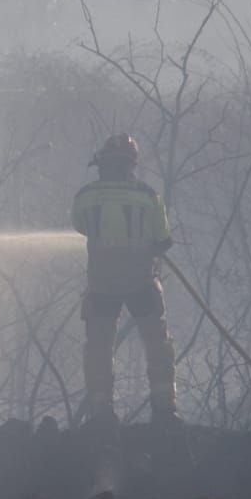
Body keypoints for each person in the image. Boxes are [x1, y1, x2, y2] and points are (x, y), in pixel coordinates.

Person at [70, 133, 180, 428]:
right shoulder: (148, 196)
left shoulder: (85, 196)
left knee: (99, 348)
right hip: (141, 282)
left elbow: (79, 225)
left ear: (104, 163)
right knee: (157, 343)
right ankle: (164, 408)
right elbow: (163, 240)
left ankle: (101, 411)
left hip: (102, 284)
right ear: (131, 164)